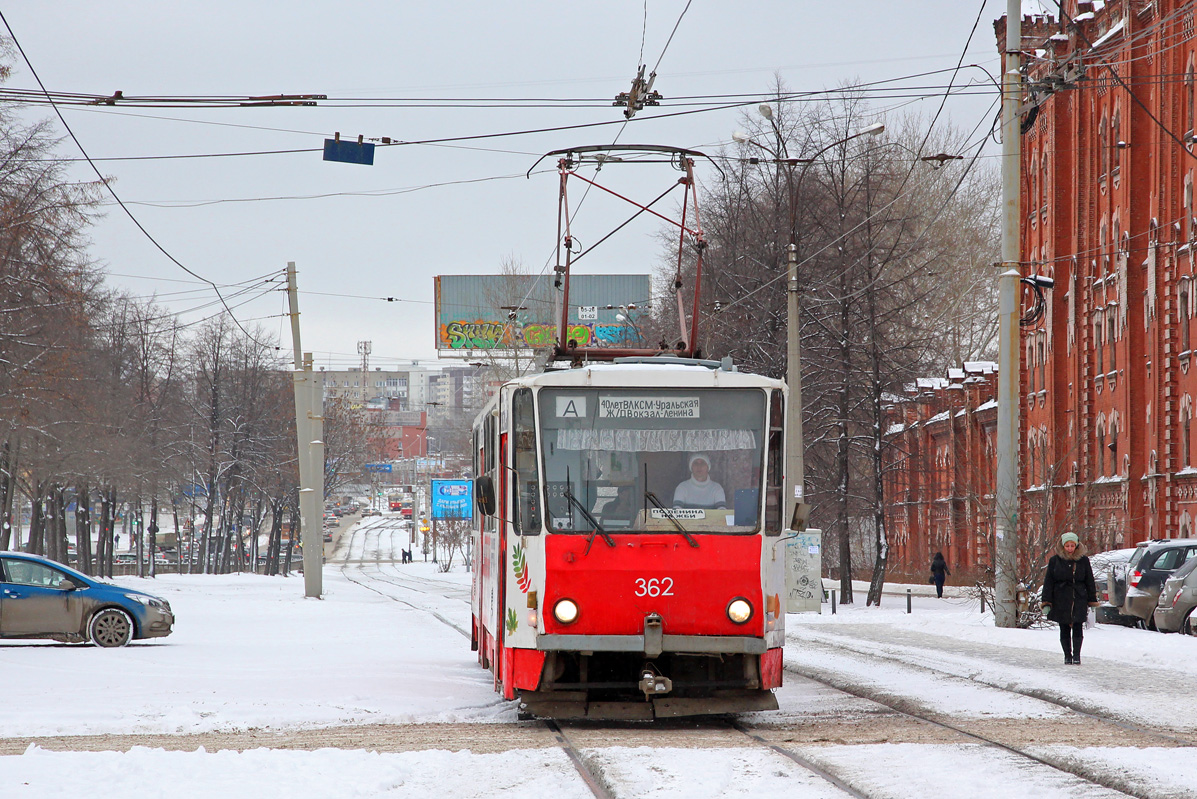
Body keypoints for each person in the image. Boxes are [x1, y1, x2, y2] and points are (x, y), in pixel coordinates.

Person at [1041, 531, 1099, 665]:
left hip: (1079, 597)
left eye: (1072, 546)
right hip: (1061, 597)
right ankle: (1067, 655)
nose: (1070, 549)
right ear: (1063, 546)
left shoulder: (1083, 560)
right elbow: (1049, 581)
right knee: (1064, 626)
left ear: (1077, 545)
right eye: (1067, 546)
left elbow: (1089, 580)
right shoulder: (1055, 561)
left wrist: (1092, 599)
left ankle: (1077, 655)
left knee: (1078, 625)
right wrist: (1046, 601)